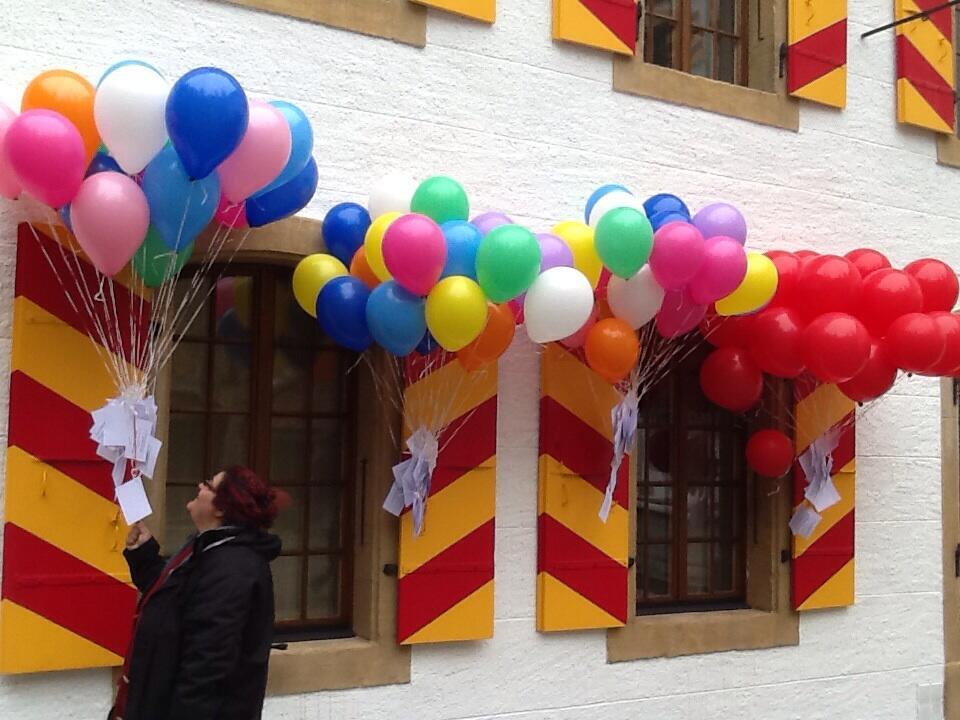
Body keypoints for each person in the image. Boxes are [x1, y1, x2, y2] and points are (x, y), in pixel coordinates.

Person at [109, 466, 282, 720]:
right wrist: (144, 554)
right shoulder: (209, 546)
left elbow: (206, 668)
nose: (200, 486)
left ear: (220, 508)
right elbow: (172, 600)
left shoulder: (234, 568)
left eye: (208, 485)